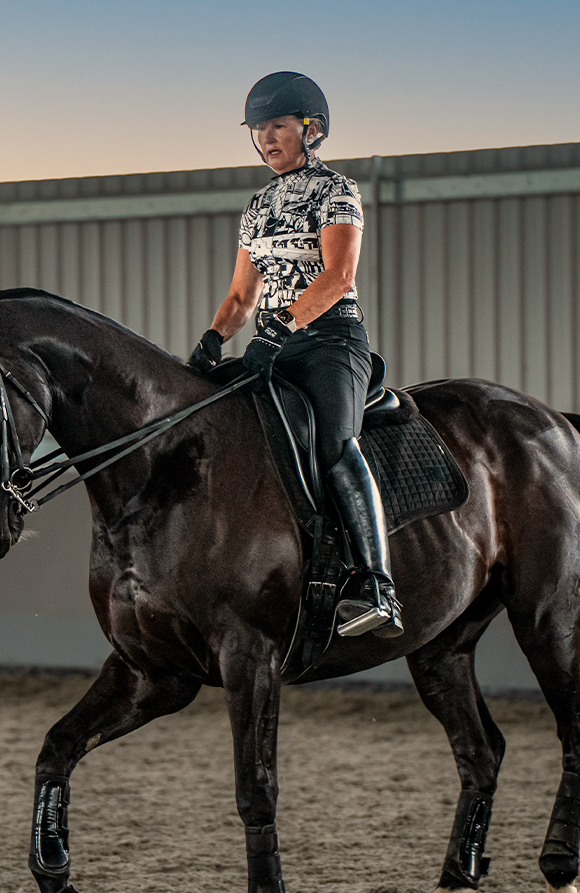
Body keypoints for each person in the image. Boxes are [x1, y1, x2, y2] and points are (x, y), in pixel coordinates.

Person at [187, 71, 402, 639]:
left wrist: (279, 329)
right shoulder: (258, 205)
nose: (266, 140)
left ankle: (379, 585)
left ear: (313, 130)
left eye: (278, 126)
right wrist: (209, 345)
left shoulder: (338, 191)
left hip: (330, 342)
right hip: (271, 345)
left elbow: (338, 276)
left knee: (335, 444)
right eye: (258, 130)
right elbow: (240, 297)